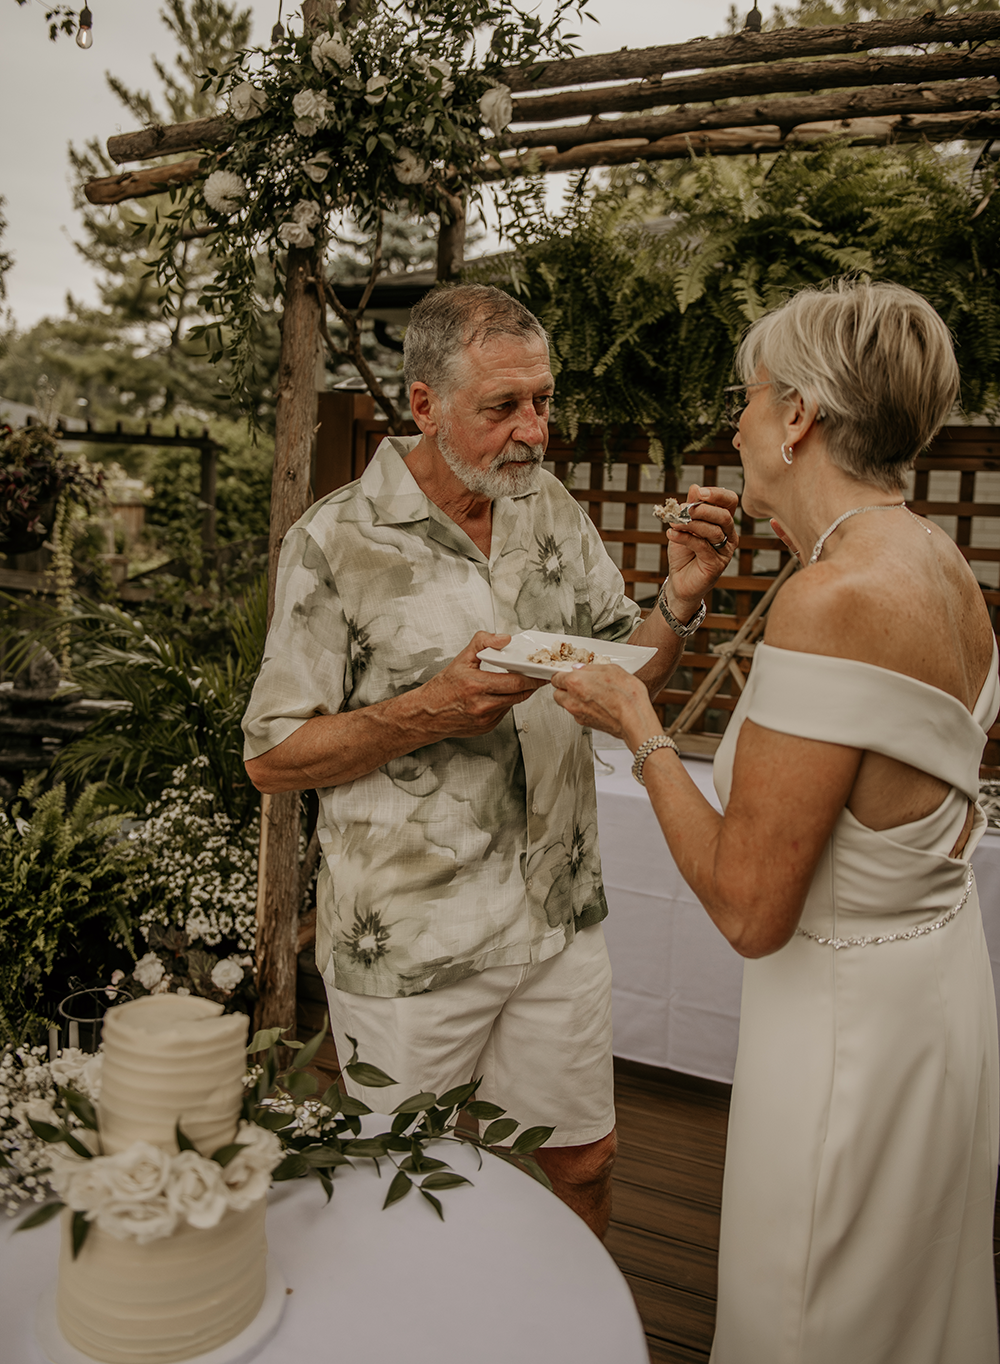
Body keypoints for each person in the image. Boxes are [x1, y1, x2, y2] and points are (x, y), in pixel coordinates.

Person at [549, 280, 1000, 1359]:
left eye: (746, 399)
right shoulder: (936, 563)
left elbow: (752, 912)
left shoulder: (833, 598)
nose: (735, 424)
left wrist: (636, 721)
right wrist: (688, 590)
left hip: (844, 1028)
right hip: (935, 1004)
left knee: (808, 1313)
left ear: (797, 416)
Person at [242, 283, 737, 1237]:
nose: (534, 432)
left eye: (543, 402)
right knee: (405, 1195)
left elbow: (625, 667)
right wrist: (427, 709)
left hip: (556, 922)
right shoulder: (334, 540)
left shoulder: (546, 507)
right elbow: (272, 756)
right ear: (423, 405)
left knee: (584, 1162)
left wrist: (677, 600)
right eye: (503, 407)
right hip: (414, 941)